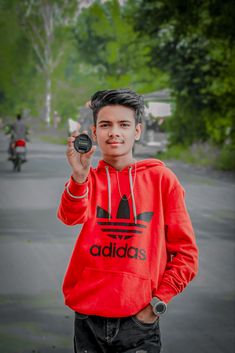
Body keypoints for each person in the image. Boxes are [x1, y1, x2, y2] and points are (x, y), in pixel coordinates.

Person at [57, 89, 198, 352]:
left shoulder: (161, 180)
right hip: (88, 319)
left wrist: (157, 303)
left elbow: (186, 254)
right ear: (94, 132)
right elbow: (70, 217)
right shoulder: (88, 178)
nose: (114, 132)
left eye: (123, 124)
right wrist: (78, 175)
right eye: (105, 125)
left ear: (137, 131)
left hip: (139, 322)